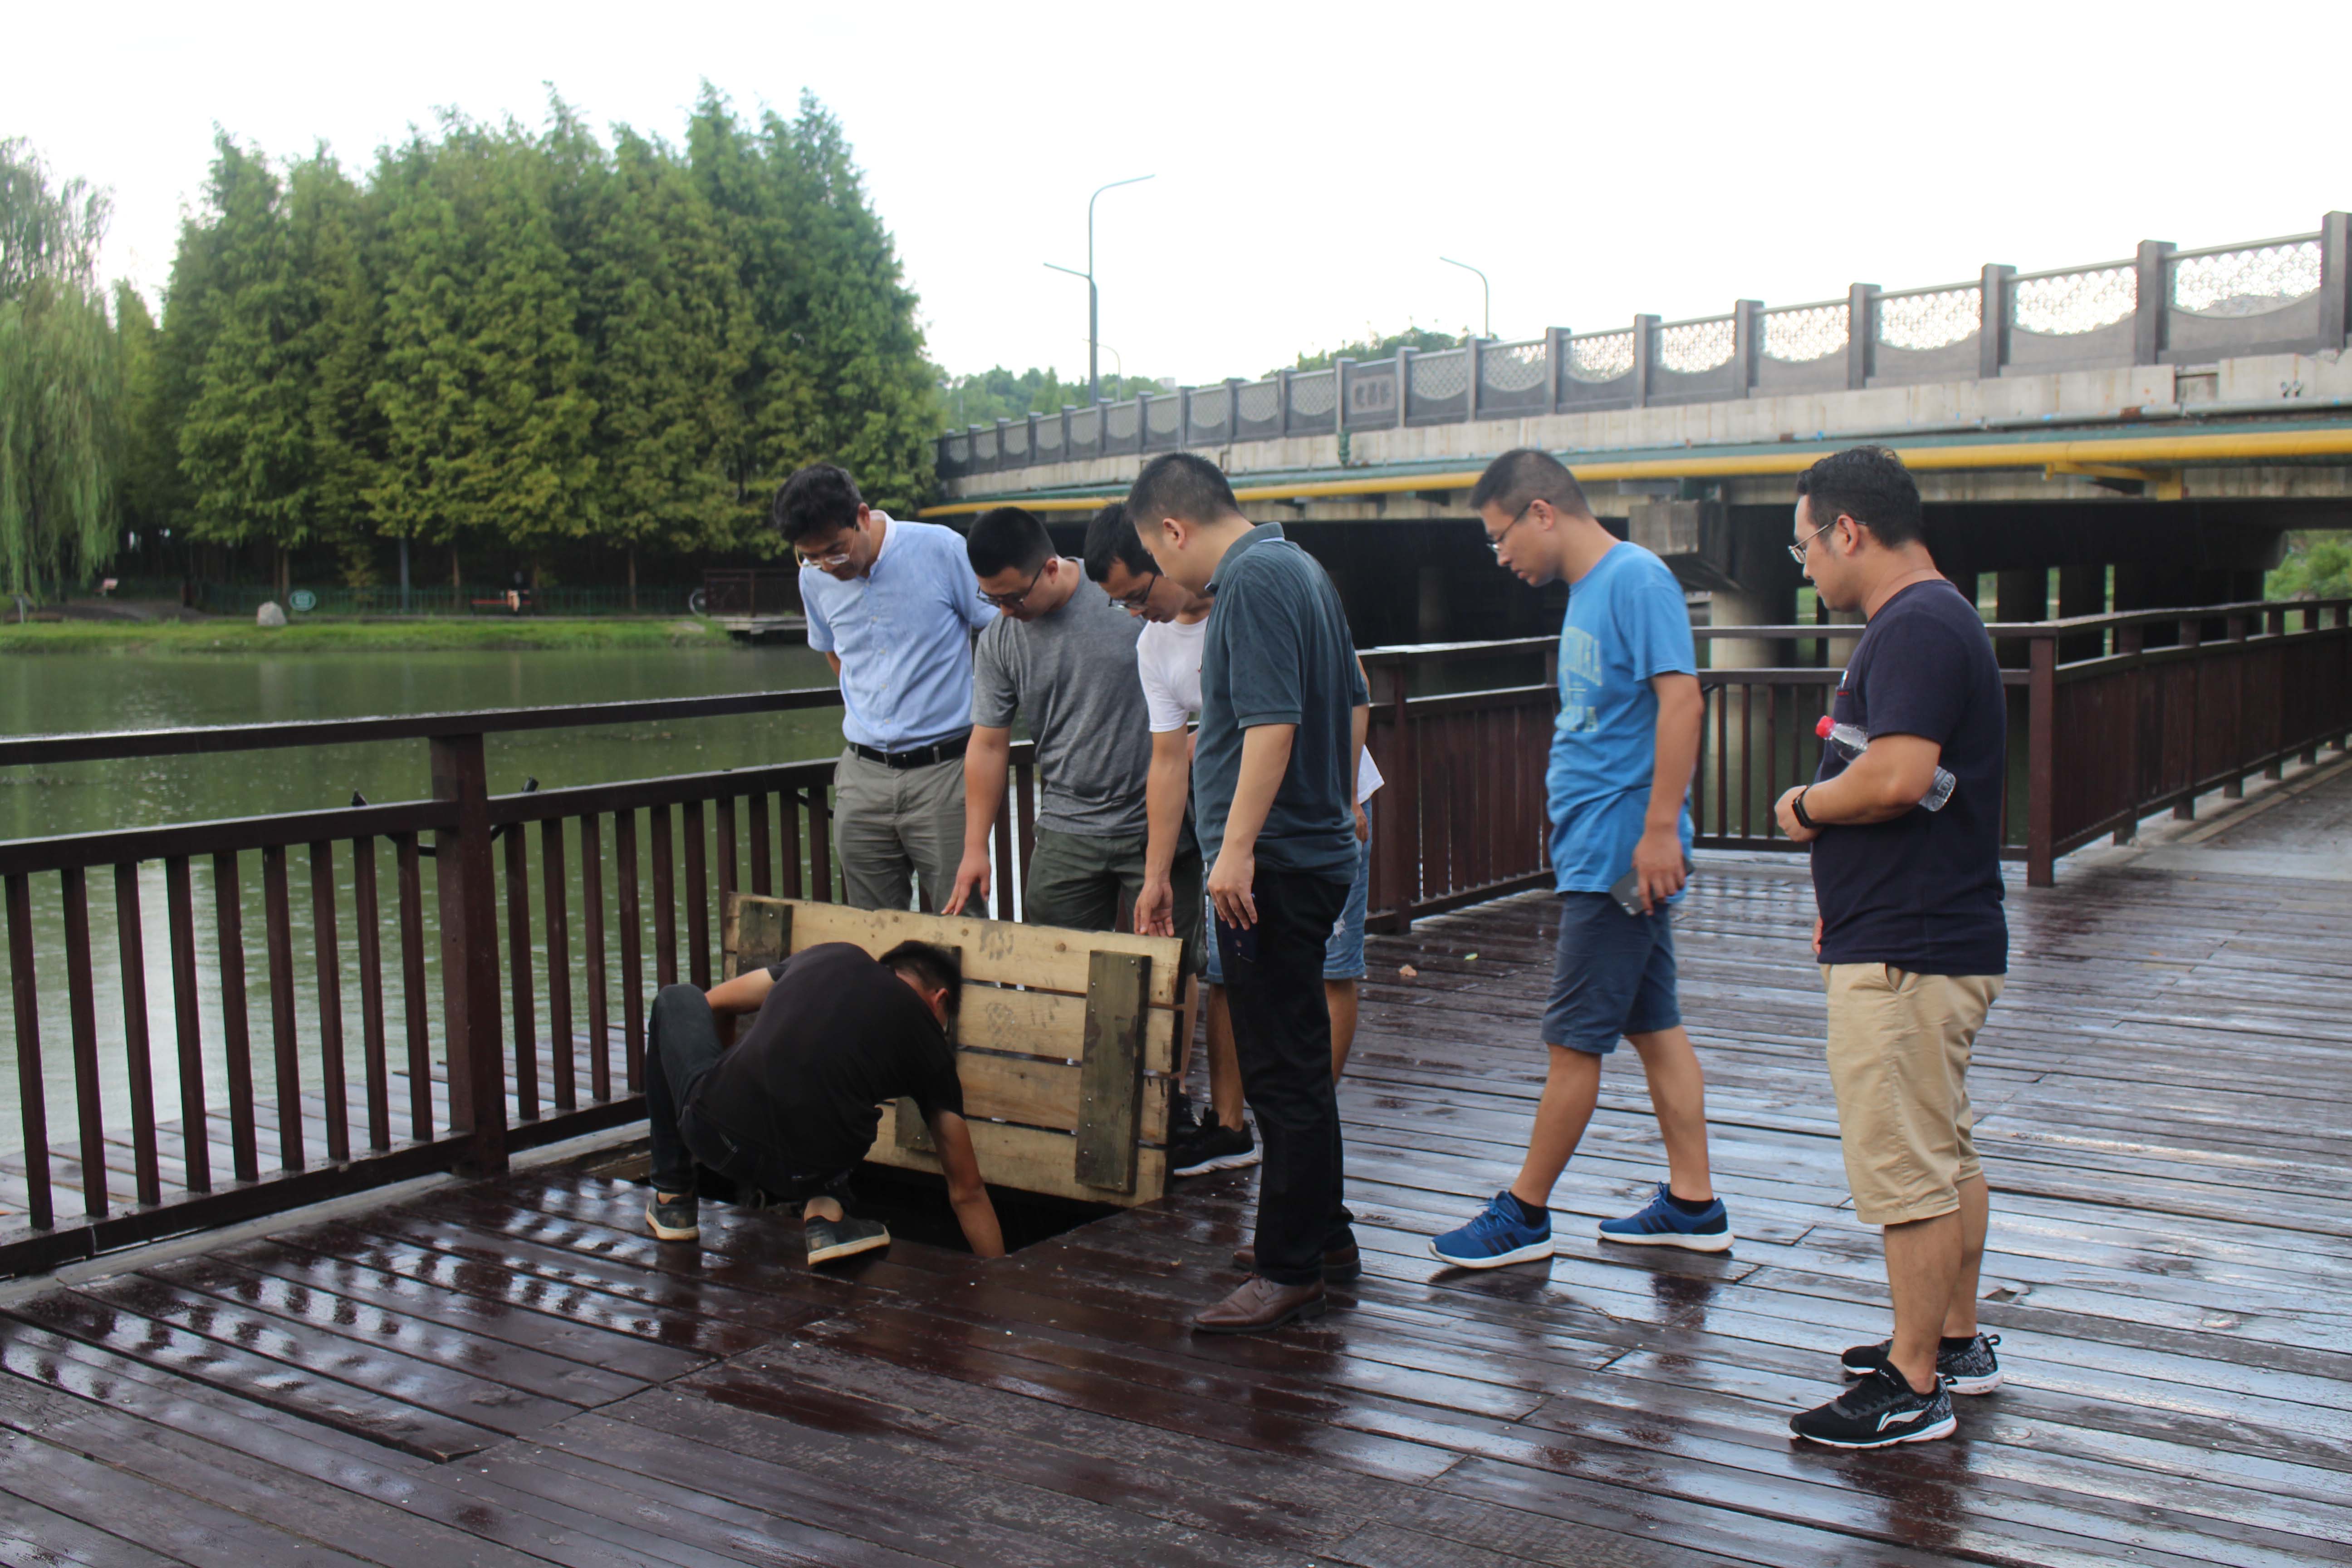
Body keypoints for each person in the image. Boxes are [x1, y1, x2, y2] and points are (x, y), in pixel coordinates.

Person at [1430, 449, 1730, 1269]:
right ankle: (1694, 1205)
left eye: (1499, 537)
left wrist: (1659, 830)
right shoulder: (1588, 590)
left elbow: (1682, 700)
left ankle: (1524, 1213)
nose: (1499, 556)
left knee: (1572, 1042)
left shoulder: (1635, 579)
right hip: (1599, 848)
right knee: (1655, 1027)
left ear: (1541, 512)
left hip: (1620, 859)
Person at [1772, 446, 2008, 1449]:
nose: (1805, 568)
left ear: (1847, 531)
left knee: (1905, 1167)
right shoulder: (1937, 617)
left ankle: (1911, 1385)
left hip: (1908, 948)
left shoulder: (1911, 624)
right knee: (1944, 1150)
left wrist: (1803, 805)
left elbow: (1899, 776)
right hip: (1932, 931)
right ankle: (1950, 1340)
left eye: (1804, 547)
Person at [1127, 453, 1368, 1333]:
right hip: (1306, 850)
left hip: (1271, 866)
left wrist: (1233, 853)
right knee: (1295, 1059)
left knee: (1278, 1070)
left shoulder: (1253, 582)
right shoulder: (1299, 567)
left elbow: (1272, 724)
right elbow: (1352, 700)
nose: (1164, 571)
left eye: (1156, 553)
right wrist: (1334, 810)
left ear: (1173, 529)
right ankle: (1322, 1235)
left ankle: (1287, 1267)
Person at [1088, 501, 1385, 1181]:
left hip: (1305, 823)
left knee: (1326, 983)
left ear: (1166, 546)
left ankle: (1302, 1145)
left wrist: (1342, 797)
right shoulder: (1159, 642)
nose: (1136, 612)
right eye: (1121, 605)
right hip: (1245, 845)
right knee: (1238, 988)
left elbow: (1336, 698)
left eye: (1139, 592)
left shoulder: (1252, 590)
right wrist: (1157, 875)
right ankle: (1247, 1134)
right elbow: (1169, 763)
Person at [941, 509, 1205, 1001]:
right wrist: (976, 847)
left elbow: (1203, 663)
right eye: (992, 599)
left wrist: (1204, 737)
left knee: (1174, 971)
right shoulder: (1001, 639)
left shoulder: (1124, 595)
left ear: (1050, 568)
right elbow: (989, 744)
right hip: (1067, 826)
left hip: (1155, 820)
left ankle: (1174, 1058)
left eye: (1014, 597)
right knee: (1056, 969)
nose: (1005, 611)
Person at [641, 939, 1004, 1264]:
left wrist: (726, 1088)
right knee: (843, 1106)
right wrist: (999, 1277)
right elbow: (967, 1191)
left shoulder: (830, 956)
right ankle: (826, 1215)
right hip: (808, 1170)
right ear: (940, 1000)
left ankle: (674, 1198)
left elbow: (714, 1005)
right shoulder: (933, 1051)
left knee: (678, 998)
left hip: (716, 1136)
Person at [776, 463, 997, 913]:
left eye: (835, 551)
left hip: (946, 773)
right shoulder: (812, 578)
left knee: (965, 925)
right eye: (811, 556)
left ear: (862, 516)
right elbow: (834, 652)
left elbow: (1000, 632)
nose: (827, 566)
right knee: (872, 928)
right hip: (863, 777)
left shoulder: (940, 549)